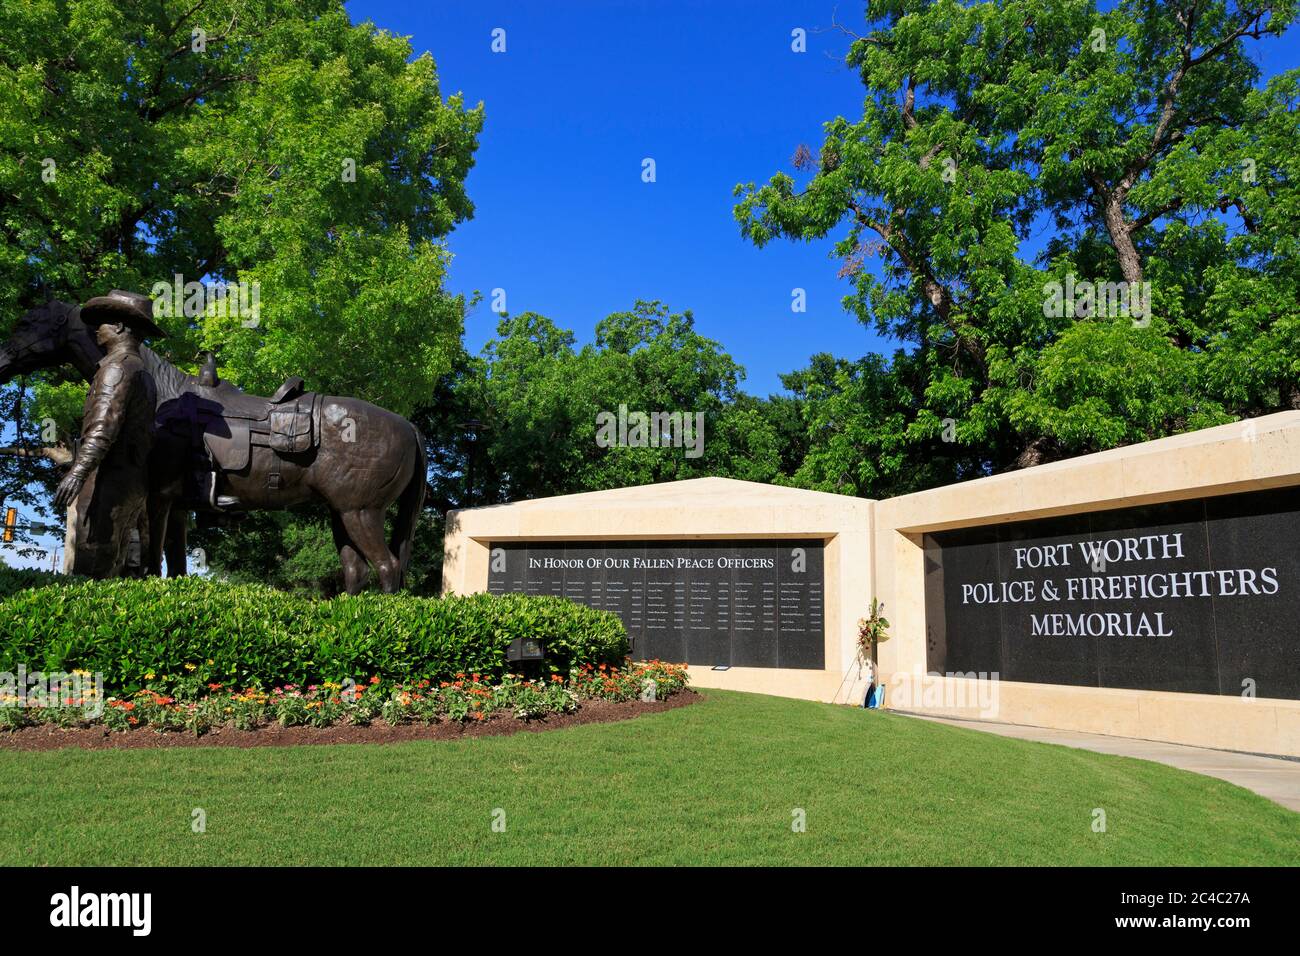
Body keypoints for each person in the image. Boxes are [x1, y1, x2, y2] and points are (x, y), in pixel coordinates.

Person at [53, 290, 166, 577]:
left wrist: (78, 471)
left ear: (119, 327)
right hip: (132, 479)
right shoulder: (141, 372)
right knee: (115, 561)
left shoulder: (116, 369)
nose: (96, 330)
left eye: (102, 323)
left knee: (93, 561)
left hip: (108, 481)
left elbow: (104, 426)